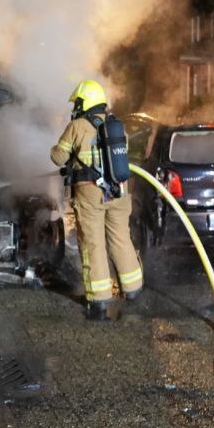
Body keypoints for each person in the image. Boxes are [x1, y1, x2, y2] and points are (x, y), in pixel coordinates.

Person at [50, 79, 143, 320]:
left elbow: (58, 157)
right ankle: (133, 290)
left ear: (85, 103)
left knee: (93, 244)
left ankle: (99, 301)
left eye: (78, 103)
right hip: (119, 192)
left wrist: (62, 153)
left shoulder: (77, 126)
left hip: (91, 193)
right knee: (121, 238)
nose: (76, 107)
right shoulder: (116, 126)